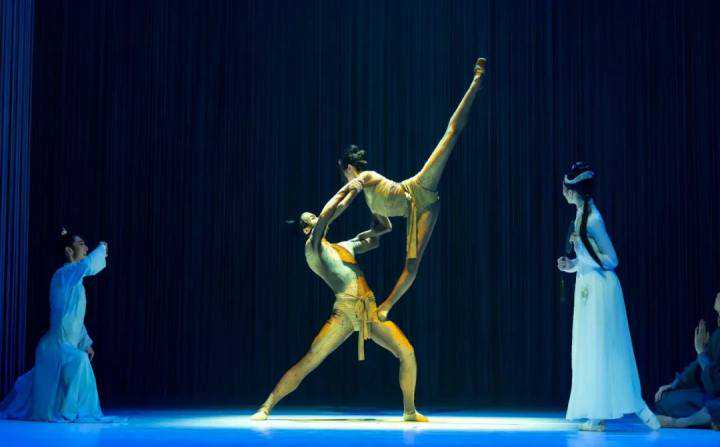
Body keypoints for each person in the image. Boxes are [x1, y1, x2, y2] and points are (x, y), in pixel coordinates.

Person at [251, 185, 426, 422]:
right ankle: (266, 406)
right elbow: (328, 213)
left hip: (369, 310)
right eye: (310, 219)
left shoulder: (344, 246)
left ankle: (410, 411)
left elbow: (381, 232)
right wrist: (353, 186)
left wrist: (373, 201)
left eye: (314, 215)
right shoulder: (312, 247)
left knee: (407, 351)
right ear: (306, 230)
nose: (316, 217)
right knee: (310, 359)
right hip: (344, 312)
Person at [331, 57, 486, 321]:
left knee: (450, 135)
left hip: (418, 188)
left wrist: (327, 217)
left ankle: (476, 82)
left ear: (347, 168)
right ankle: (386, 306)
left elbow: (348, 194)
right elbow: (386, 227)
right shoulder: (370, 202)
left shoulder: (365, 177)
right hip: (422, 211)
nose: (345, 178)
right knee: (411, 265)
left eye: (343, 173)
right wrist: (367, 233)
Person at [557, 162, 660, 431]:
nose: (563, 192)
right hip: (587, 287)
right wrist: (572, 265)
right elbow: (588, 258)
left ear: (575, 191)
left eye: (566, 188)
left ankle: (637, 407)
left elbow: (612, 260)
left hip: (602, 289)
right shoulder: (580, 215)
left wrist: (583, 259)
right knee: (589, 348)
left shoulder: (593, 219)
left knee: (606, 346)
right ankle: (596, 412)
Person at [0, 228, 110, 422]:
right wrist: (101, 248)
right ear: (69, 251)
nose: (86, 248)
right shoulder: (63, 275)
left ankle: (69, 410)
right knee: (79, 361)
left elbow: (73, 318)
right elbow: (87, 265)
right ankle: (68, 412)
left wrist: (85, 342)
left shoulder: (75, 281)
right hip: (55, 346)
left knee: (78, 361)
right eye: (81, 244)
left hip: (66, 345)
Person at [654, 292, 720, 429]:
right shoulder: (717, 334)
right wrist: (675, 384)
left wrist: (701, 352)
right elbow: (698, 365)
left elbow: (716, 385)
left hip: (716, 398)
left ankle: (681, 422)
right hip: (710, 397)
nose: (718, 295)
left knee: (714, 407)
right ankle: (707, 419)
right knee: (665, 398)